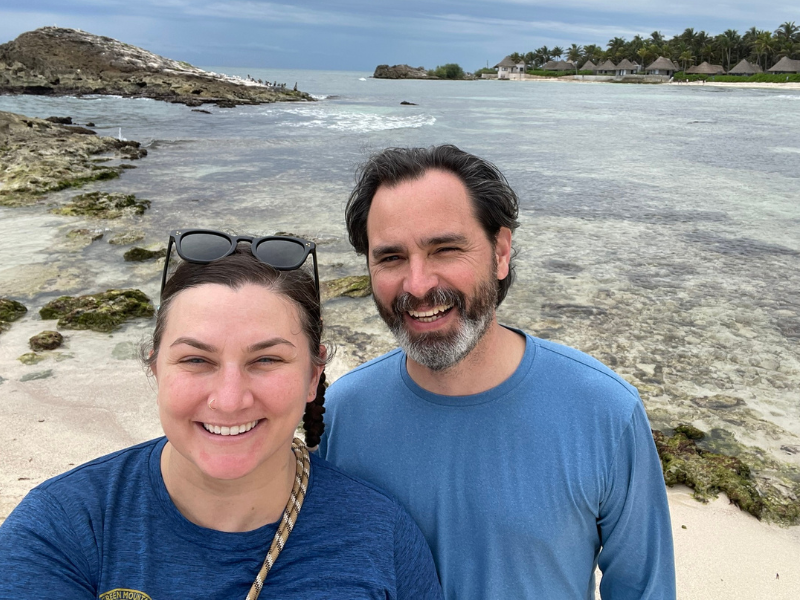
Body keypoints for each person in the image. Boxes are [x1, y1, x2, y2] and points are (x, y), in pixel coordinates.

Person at [0, 230, 443, 599]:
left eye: (266, 360)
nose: (229, 401)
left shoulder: (380, 536)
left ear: (313, 375)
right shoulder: (63, 529)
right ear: (155, 367)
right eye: (196, 360)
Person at [318, 146, 676, 599]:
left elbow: (644, 589)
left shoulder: (605, 410)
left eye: (445, 249)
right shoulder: (343, 411)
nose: (418, 284)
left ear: (500, 252)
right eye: (390, 258)